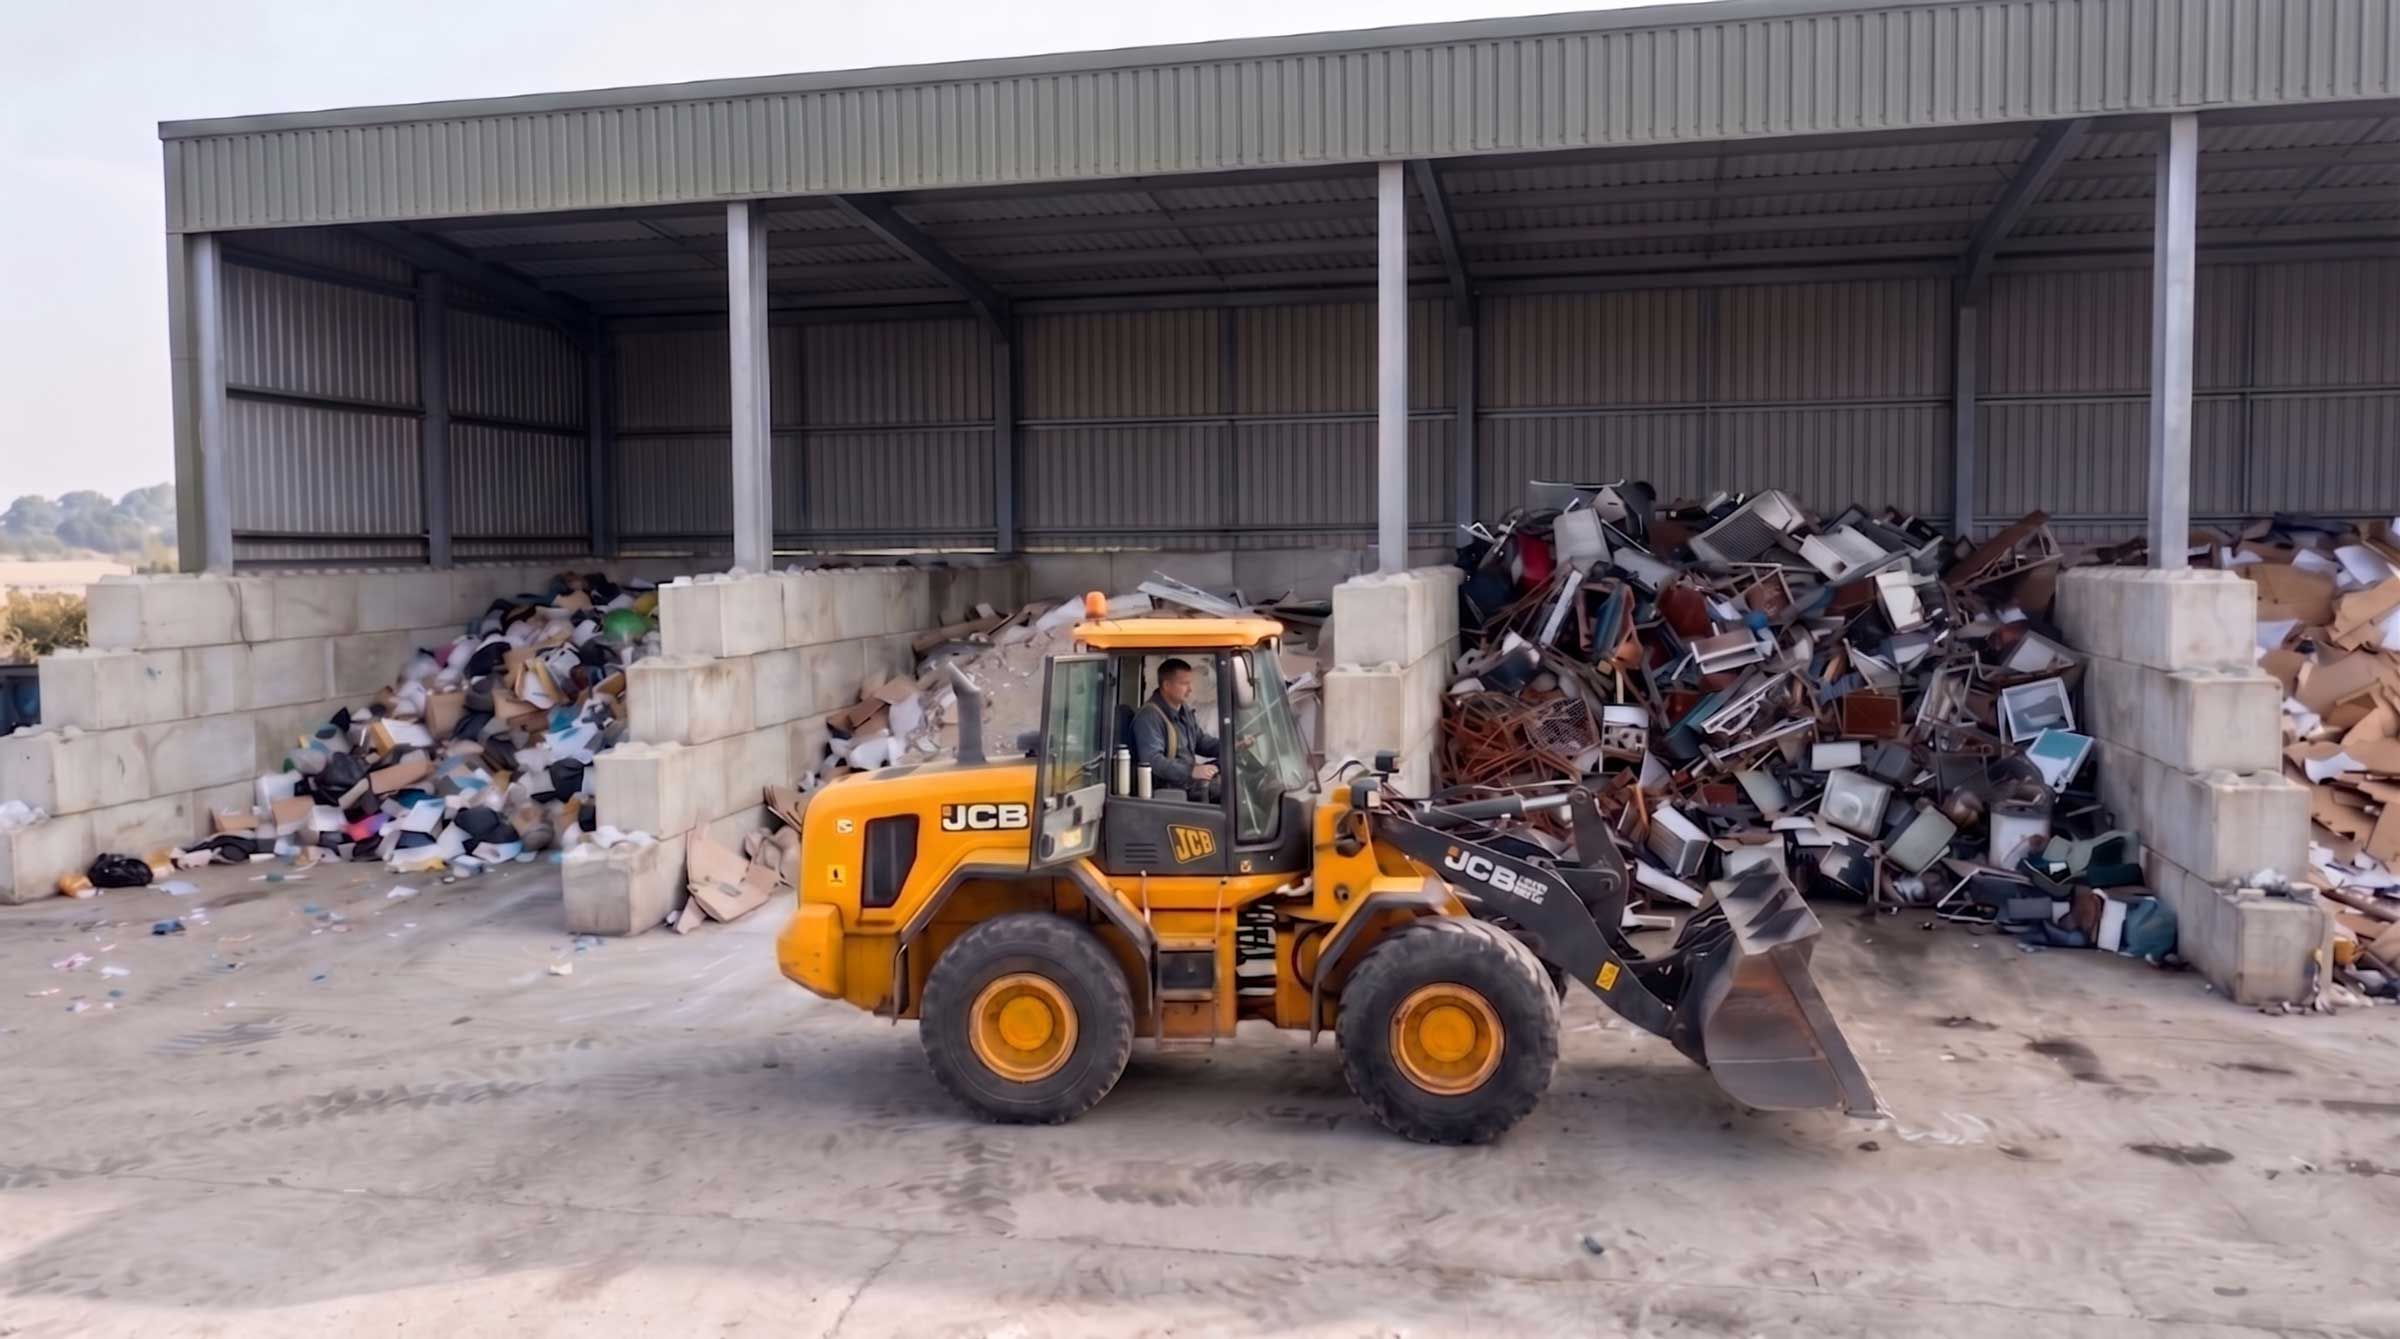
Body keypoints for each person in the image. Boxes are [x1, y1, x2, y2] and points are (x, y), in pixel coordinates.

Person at [1129, 658, 1221, 802]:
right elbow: (1153, 760)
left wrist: (1230, 746)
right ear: (1166, 685)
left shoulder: (1184, 710)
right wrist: (1191, 771)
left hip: (1187, 784)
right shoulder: (1149, 717)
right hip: (1170, 792)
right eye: (1184, 684)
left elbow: (1200, 741)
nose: (1190, 689)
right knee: (1227, 794)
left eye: (1190, 683)